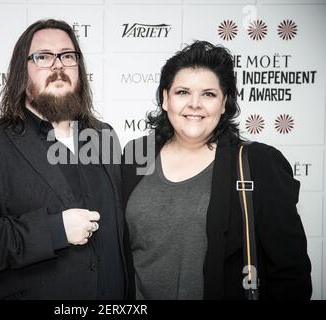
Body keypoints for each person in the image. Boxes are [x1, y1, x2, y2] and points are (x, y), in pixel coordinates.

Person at [0, 19, 128, 300]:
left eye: (68, 56)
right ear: (22, 70)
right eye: (43, 57)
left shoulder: (105, 135)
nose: (58, 66)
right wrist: (55, 230)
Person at [121, 41, 312, 300]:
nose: (195, 104)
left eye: (209, 94)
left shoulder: (260, 163)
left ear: (224, 103)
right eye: (183, 92)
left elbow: (291, 272)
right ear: (165, 99)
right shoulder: (135, 154)